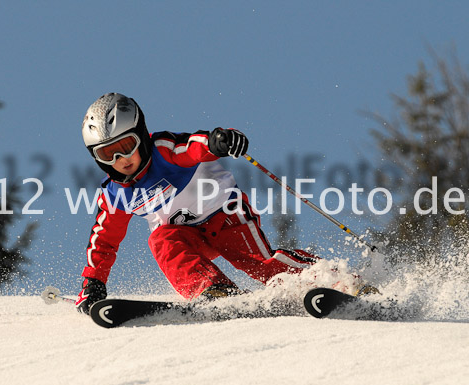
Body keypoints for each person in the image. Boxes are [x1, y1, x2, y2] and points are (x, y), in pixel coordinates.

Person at [75, 93, 348, 314]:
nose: (121, 158)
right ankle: (214, 290)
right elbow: (104, 240)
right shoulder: (115, 194)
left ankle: (337, 280)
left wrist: (218, 141)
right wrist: (94, 282)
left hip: (226, 215)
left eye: (126, 145)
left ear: (141, 134)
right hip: (186, 234)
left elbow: (194, 145)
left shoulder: (164, 151)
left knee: (258, 263)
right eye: (108, 153)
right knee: (161, 241)